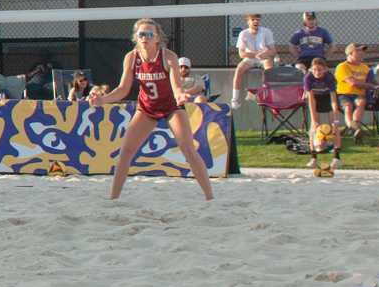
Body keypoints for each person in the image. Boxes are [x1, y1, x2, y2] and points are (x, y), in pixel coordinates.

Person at [89, 18, 215, 202]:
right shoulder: (132, 58)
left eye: (149, 34)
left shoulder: (168, 56)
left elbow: (176, 86)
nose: (145, 38)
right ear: (136, 38)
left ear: (157, 38)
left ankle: (210, 198)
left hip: (171, 106)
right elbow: (123, 89)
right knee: (126, 152)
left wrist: (180, 94)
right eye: (141, 34)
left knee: (188, 149)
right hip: (147, 107)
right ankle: (113, 199)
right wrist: (102, 100)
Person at [230, 13, 277, 106]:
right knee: (239, 69)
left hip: (263, 58)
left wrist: (264, 54)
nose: (256, 21)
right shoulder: (243, 34)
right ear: (248, 22)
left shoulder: (266, 32)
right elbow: (241, 54)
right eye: (253, 20)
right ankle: (234, 99)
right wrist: (255, 55)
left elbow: (273, 51)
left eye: (258, 20)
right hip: (250, 58)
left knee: (269, 69)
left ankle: (267, 95)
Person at [334, 42, 374, 137]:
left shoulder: (365, 67)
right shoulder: (342, 66)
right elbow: (353, 82)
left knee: (360, 102)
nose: (362, 53)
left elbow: (372, 81)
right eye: (358, 51)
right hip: (344, 94)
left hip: (359, 94)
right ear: (350, 53)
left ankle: (355, 127)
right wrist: (371, 86)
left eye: (363, 51)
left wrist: (377, 86)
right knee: (348, 106)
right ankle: (354, 128)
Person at [303, 55, 339, 141]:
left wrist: (336, 119)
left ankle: (333, 140)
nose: (317, 72)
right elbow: (311, 100)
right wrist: (314, 119)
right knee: (315, 122)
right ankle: (314, 140)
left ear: (325, 69)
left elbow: (333, 101)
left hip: (327, 95)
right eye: (314, 69)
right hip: (315, 96)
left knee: (333, 121)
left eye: (319, 70)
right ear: (310, 69)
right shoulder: (308, 77)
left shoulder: (329, 77)